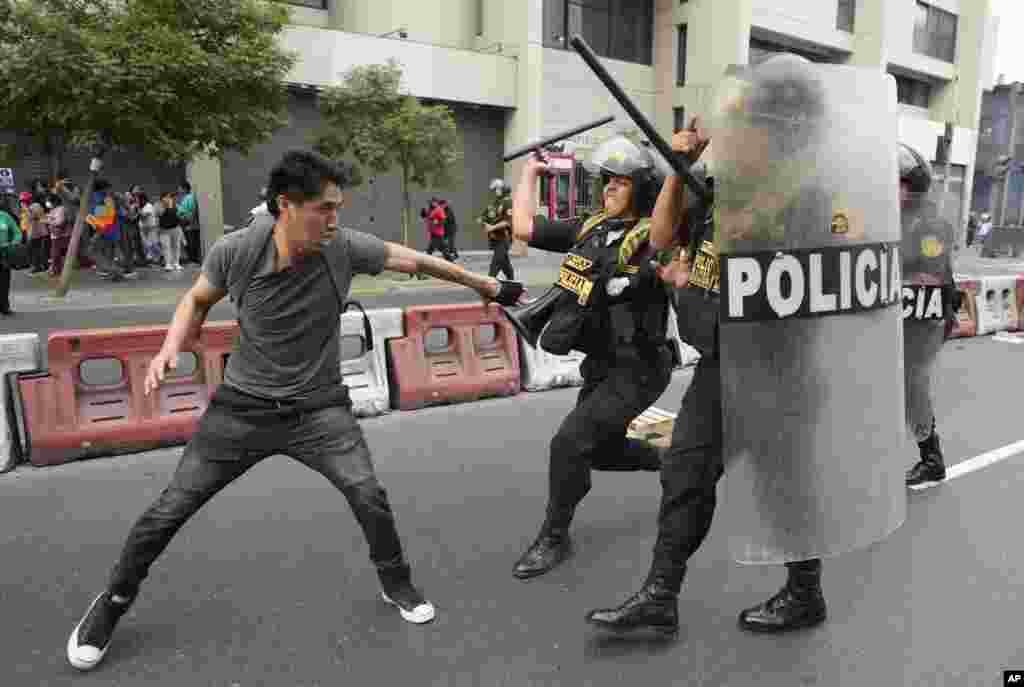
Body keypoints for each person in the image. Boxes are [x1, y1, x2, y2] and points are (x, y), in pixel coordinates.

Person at [66, 149, 523, 672]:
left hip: (318, 409)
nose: (335, 220)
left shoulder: (343, 247)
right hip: (241, 411)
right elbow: (196, 299)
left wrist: (486, 285)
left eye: (338, 209)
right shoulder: (236, 251)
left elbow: (418, 261)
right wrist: (174, 343)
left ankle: (395, 580)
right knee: (169, 509)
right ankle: (113, 602)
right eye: (324, 209)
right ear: (286, 205)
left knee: (367, 493)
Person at [588, 55, 905, 637]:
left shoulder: (803, 192)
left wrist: (704, 168)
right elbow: (659, 238)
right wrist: (681, 166)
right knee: (685, 470)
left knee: (783, 485)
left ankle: (805, 593)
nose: (732, 131)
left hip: (781, 367)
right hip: (720, 363)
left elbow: (755, 237)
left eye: (745, 122)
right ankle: (661, 595)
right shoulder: (716, 185)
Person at [507, 136, 677, 580]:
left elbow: (669, 245)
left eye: (620, 184)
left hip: (640, 365)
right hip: (601, 364)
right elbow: (523, 227)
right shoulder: (592, 228)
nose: (609, 190)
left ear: (641, 190)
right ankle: (668, 459)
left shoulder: (653, 238)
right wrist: (530, 173)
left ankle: (554, 536)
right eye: (607, 183)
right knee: (593, 450)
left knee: (568, 444)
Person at [899, 144, 956, 490]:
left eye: (895, 183)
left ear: (911, 186)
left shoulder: (931, 225)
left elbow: (928, 279)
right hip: (903, 314)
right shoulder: (893, 218)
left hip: (928, 317)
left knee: (912, 383)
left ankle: (932, 459)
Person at [482, 179, 515, 280]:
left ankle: (488, 285)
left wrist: (492, 227)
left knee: (495, 263)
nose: (496, 191)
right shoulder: (495, 203)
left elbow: (507, 222)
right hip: (495, 238)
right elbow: (484, 216)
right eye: (495, 189)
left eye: (497, 189)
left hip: (504, 238)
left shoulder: (508, 202)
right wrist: (485, 224)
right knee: (505, 263)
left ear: (503, 189)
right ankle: (512, 281)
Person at [0, 195, 22, 315]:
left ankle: (4, 306)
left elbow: (17, 232)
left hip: (4, 254)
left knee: (4, 281)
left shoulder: (5, 216)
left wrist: (13, 243)